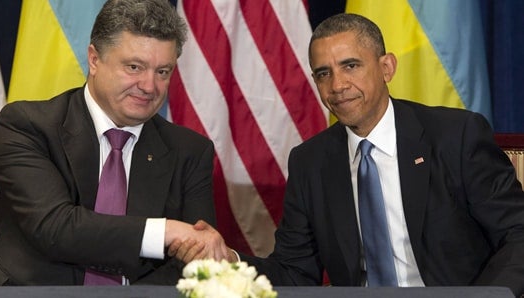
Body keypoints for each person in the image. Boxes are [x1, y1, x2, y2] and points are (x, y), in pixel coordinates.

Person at [173, 13, 524, 296]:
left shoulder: (454, 136)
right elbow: (294, 273)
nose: (337, 85)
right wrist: (228, 258)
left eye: (351, 65)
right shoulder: (311, 162)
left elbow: (517, 234)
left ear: (386, 67)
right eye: (323, 73)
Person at [0, 0, 229, 286]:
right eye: (134, 67)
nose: (149, 86)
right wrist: (166, 232)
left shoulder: (190, 151)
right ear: (94, 59)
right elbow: (55, 228)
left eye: (162, 72)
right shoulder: (27, 125)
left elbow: (194, 259)